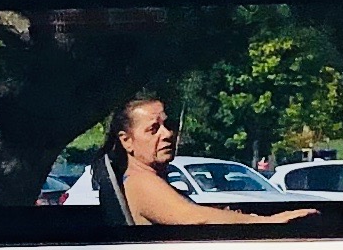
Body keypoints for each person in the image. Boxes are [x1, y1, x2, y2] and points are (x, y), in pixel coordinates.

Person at [104, 96, 314, 230]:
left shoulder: (149, 179)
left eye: (168, 125)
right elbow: (193, 218)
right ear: (126, 140)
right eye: (153, 129)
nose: (168, 134)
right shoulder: (141, 182)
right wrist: (268, 222)